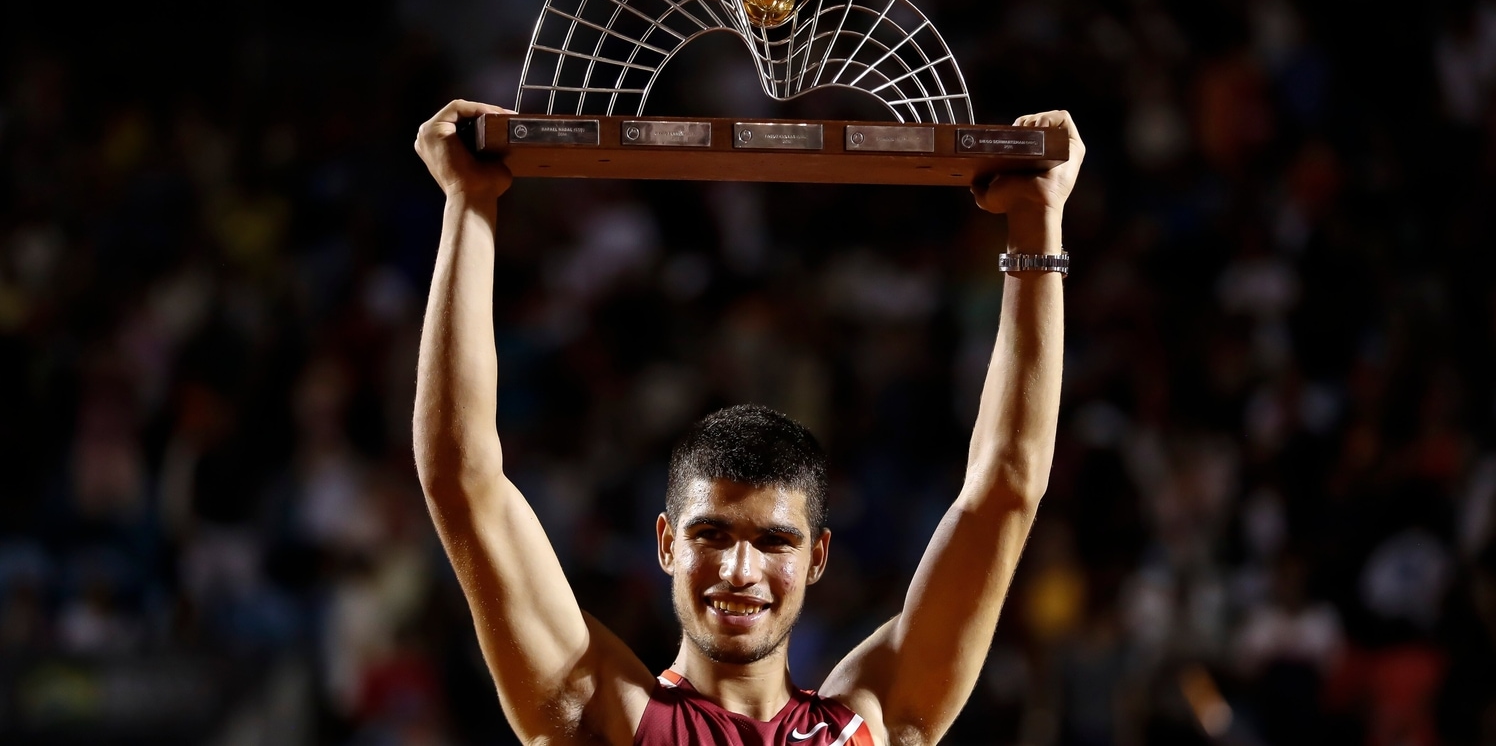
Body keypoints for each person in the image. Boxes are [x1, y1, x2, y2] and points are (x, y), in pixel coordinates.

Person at [412, 100, 1086, 746]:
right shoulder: (606, 718)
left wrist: (1037, 221)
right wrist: (466, 206)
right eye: (712, 533)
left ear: (816, 556)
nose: (740, 569)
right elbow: (463, 481)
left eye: (773, 541)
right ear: (667, 543)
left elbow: (1006, 488)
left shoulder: (871, 726)